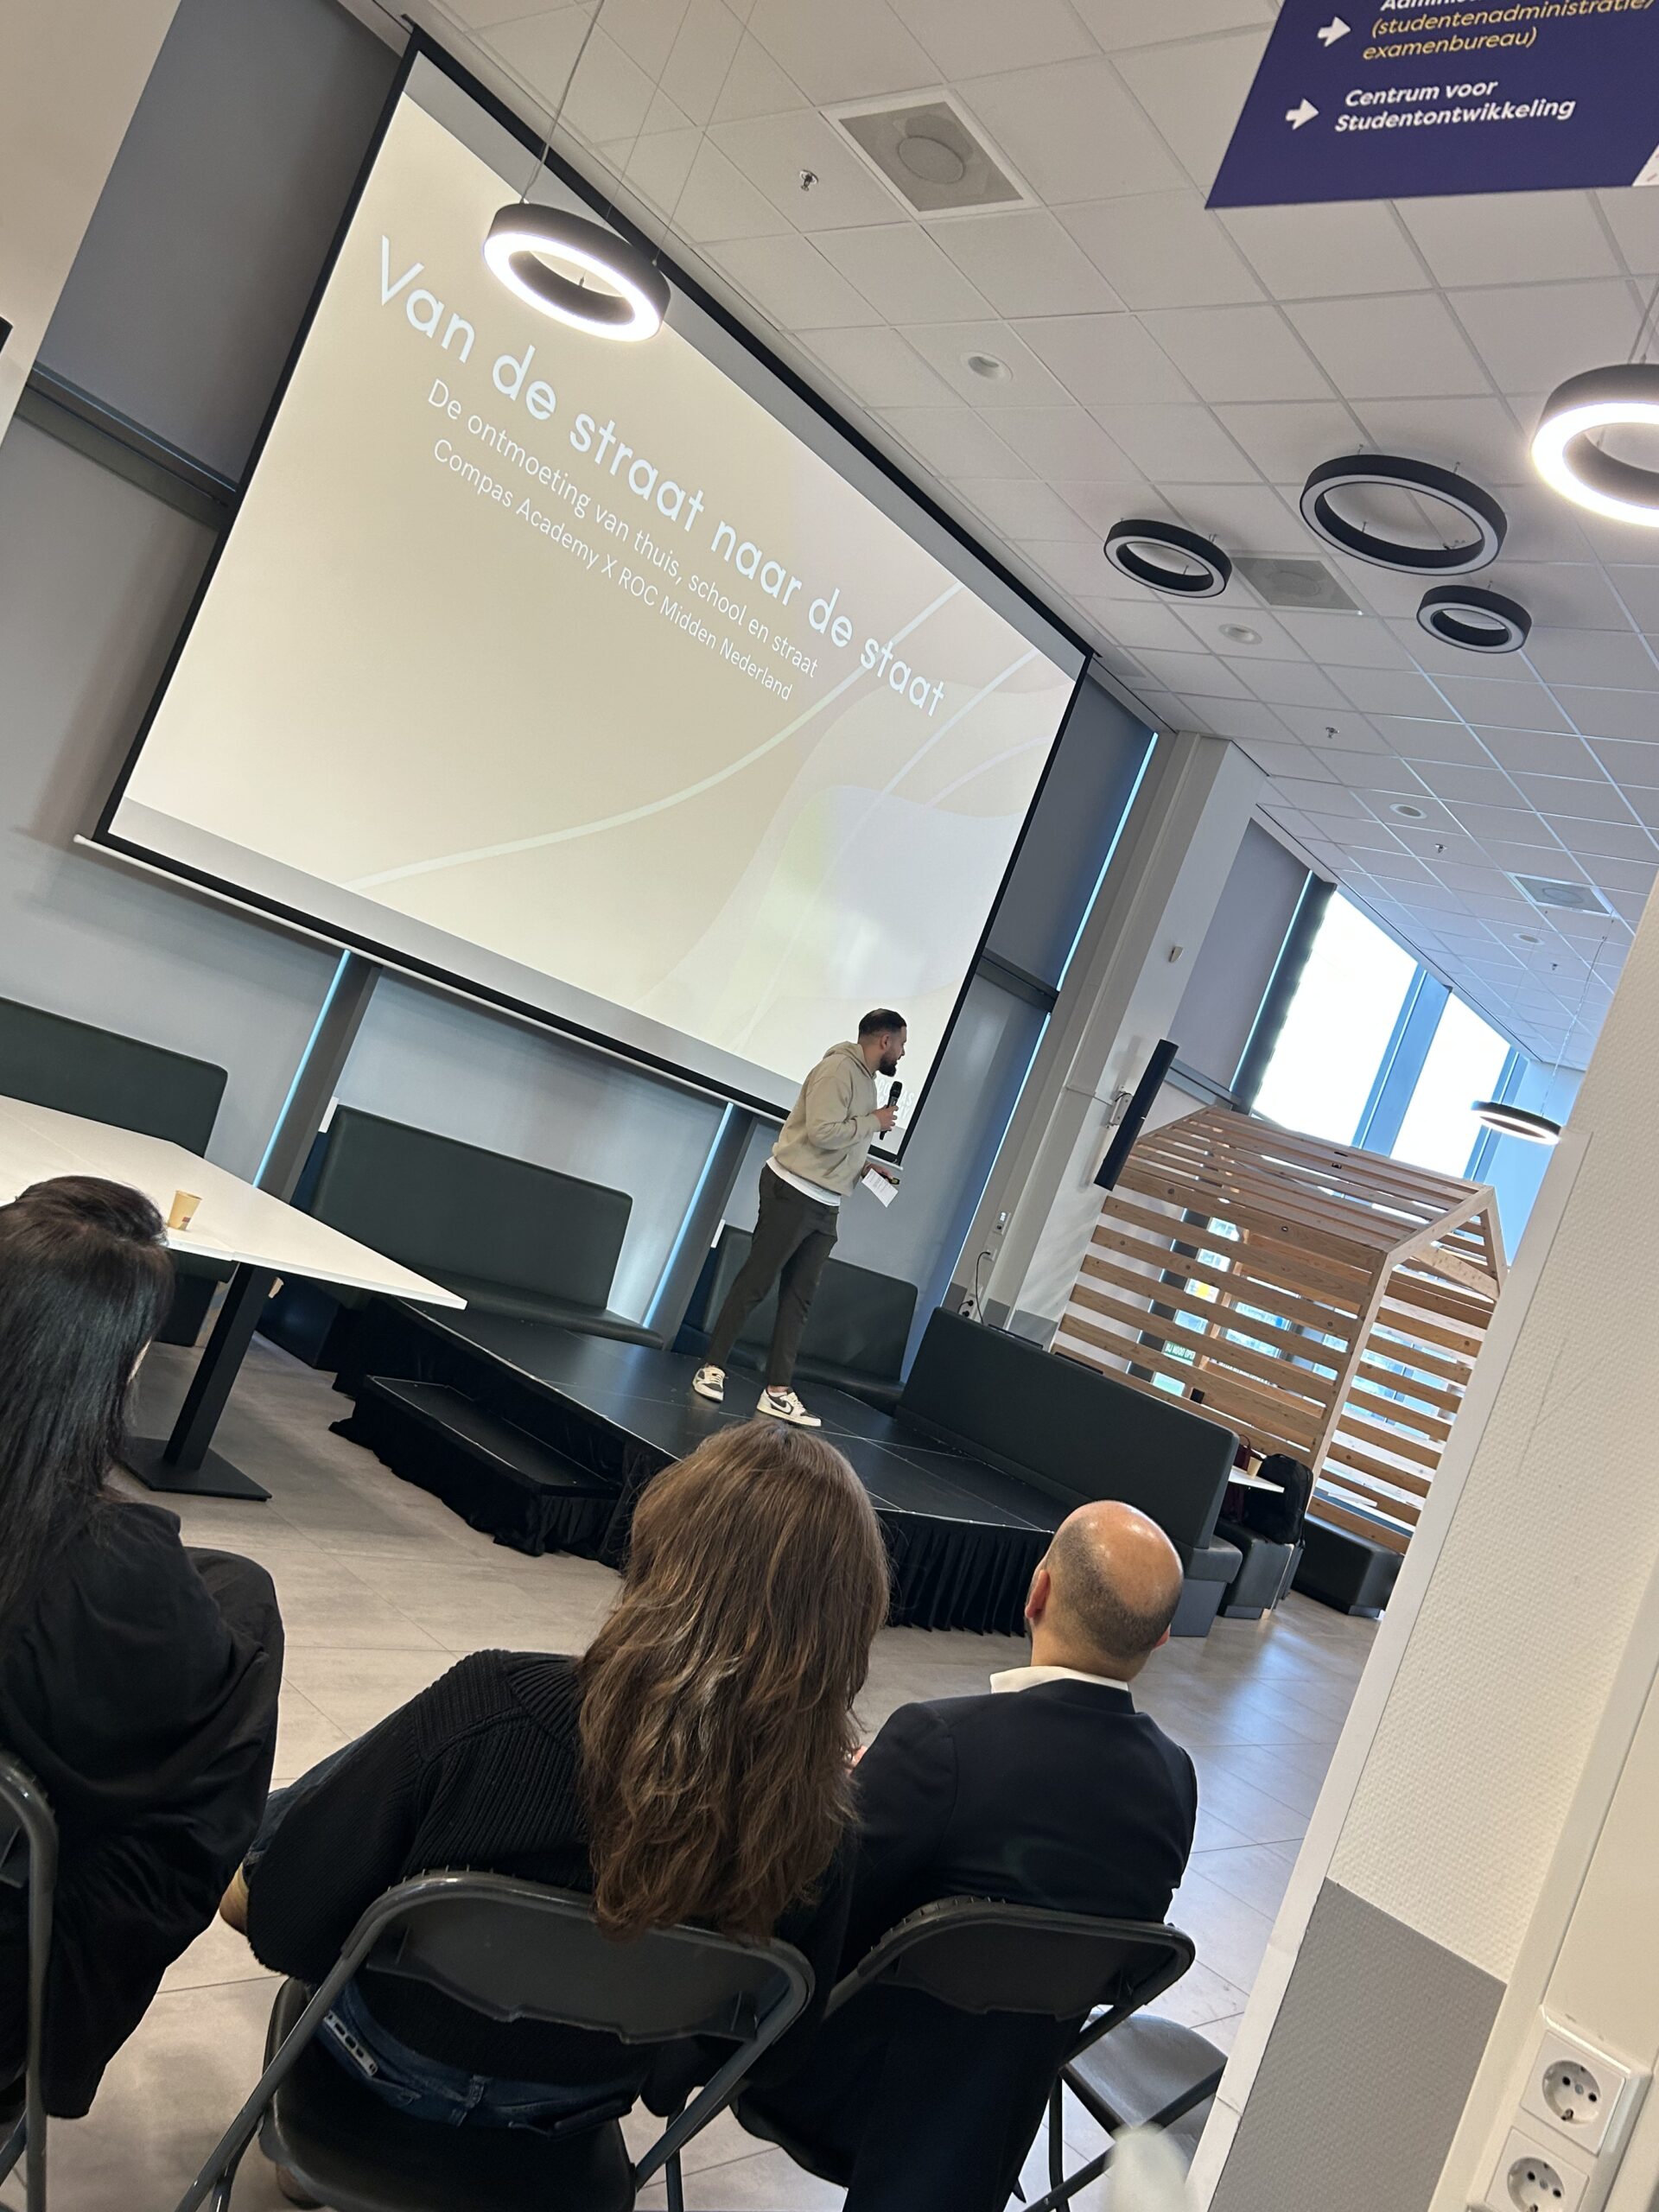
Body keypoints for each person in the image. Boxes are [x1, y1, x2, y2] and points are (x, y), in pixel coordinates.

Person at [226, 1422, 890, 2161]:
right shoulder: (823, 1828)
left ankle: (261, 1838)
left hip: (383, 2062)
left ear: (663, 1554)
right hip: (577, 2105)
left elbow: (283, 1928)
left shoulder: (494, 1702)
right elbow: (772, 2050)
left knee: (372, 1781)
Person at [741, 1500, 1198, 2212]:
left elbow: (814, 1913)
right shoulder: (1175, 1784)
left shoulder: (938, 1744)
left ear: (1037, 1592)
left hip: (840, 2090)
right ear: (1162, 1637)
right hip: (995, 2123)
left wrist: (839, 1796)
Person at [0, 1175, 284, 2119]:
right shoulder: (113, 1571)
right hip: (13, 1977)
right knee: (242, 1621)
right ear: (111, 1366)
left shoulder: (113, 1563)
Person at [693, 1009, 906, 1429]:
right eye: (901, 1044)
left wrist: (864, 1168)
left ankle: (777, 1390)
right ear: (884, 1041)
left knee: (799, 1298)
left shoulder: (866, 1079)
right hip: (793, 1191)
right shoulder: (837, 1070)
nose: (902, 1053)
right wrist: (875, 1121)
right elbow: (823, 1132)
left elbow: (841, 1140)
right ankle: (712, 1367)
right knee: (756, 1281)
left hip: (826, 1201)